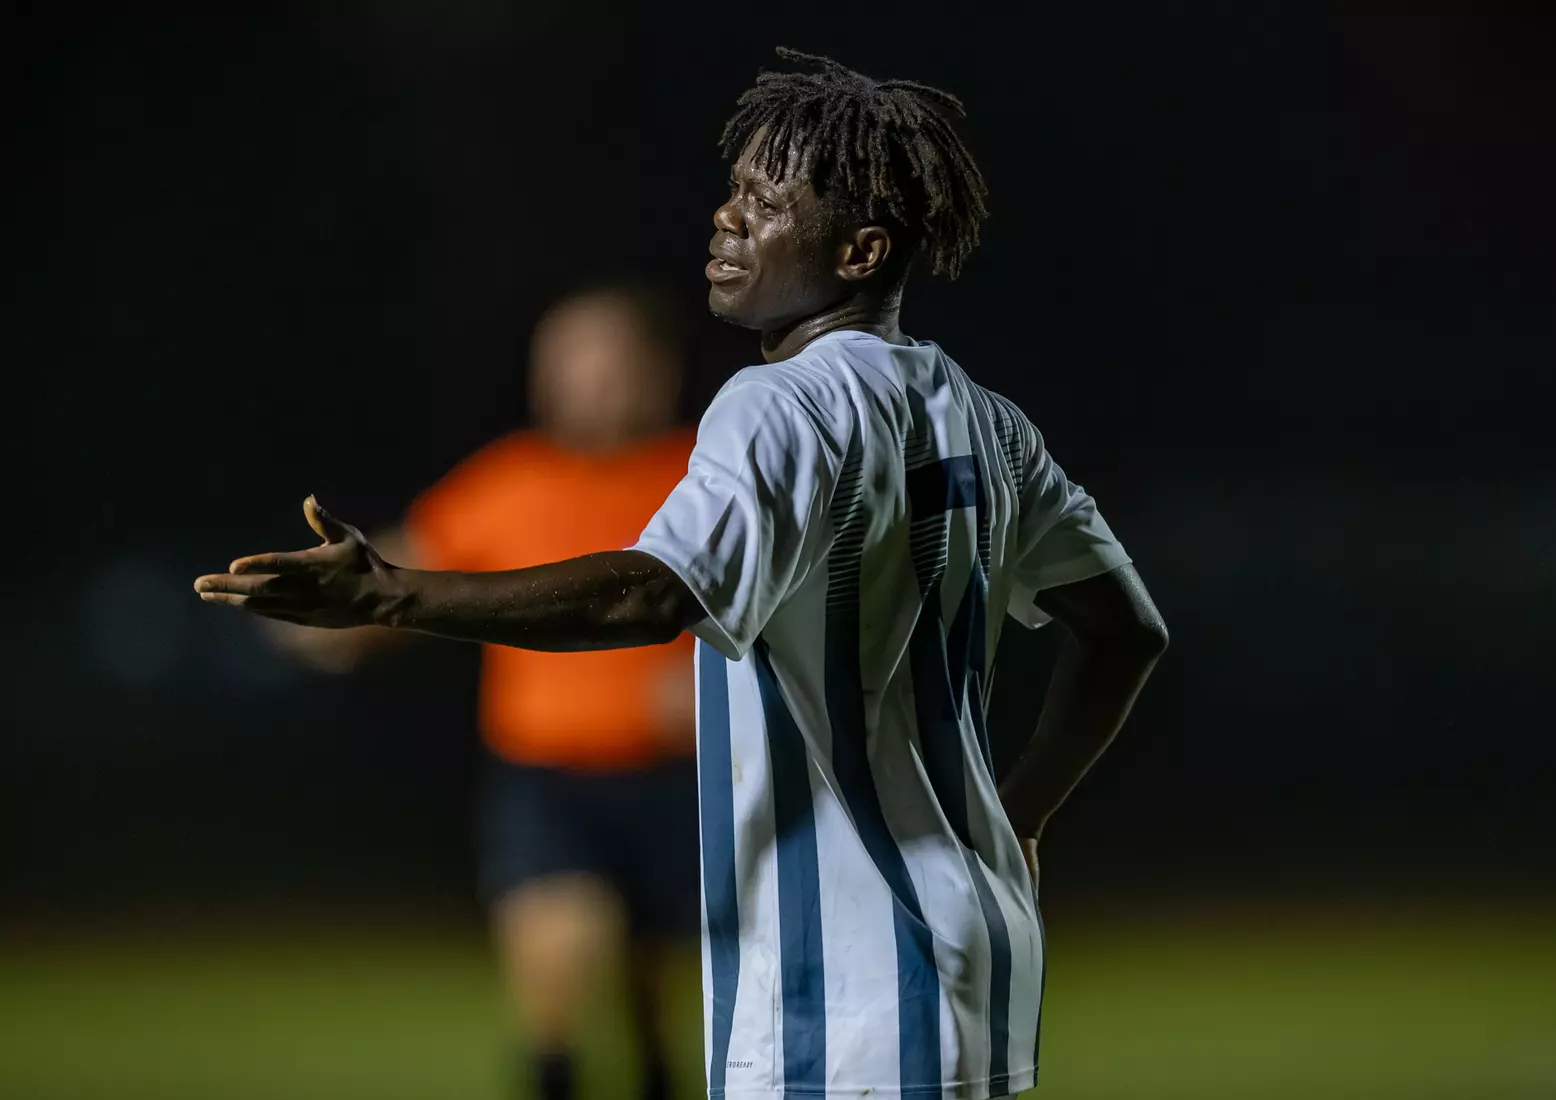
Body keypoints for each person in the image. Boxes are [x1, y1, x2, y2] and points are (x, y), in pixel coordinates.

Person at [196, 47, 1168, 1100]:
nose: (727, 218)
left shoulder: (780, 405)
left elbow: (650, 591)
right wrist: (1018, 813)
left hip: (837, 986)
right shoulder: (988, 419)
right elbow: (1126, 631)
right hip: (973, 946)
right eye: (733, 189)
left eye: (764, 199)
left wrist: (391, 594)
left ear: (860, 249)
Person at [266, 284, 700, 1100]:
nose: (592, 379)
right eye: (572, 359)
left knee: (650, 1004)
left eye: (610, 358)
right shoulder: (512, 480)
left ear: (658, 369)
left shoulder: (704, 476)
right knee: (560, 965)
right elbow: (406, 573)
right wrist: (314, 614)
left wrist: (729, 680)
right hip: (547, 780)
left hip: (682, 779)